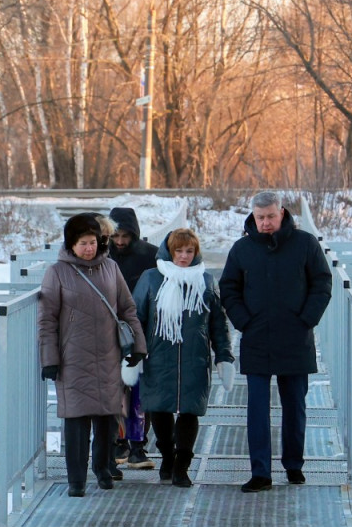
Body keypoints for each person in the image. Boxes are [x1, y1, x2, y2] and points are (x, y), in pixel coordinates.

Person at [218, 191, 333, 492]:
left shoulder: (305, 244)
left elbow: (322, 283)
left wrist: (306, 319)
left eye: (270, 216)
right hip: (256, 336)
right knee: (257, 408)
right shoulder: (242, 248)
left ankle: (294, 465)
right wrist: (244, 321)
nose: (266, 223)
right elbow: (229, 287)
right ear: (253, 217)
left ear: (281, 213)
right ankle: (261, 472)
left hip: (295, 336)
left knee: (294, 405)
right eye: (260, 218)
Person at [39, 213, 147, 497]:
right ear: (71, 244)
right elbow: (47, 319)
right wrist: (49, 359)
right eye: (83, 243)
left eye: (93, 242)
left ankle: (103, 469)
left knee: (107, 418)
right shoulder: (57, 273)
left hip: (109, 355)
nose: (89, 248)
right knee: (76, 422)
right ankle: (76, 480)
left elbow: (127, 309)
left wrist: (137, 347)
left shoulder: (110, 268)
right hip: (72, 358)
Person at [131, 228, 234, 487]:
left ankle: (182, 466)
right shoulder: (151, 278)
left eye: (189, 251)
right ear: (169, 251)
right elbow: (136, 318)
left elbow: (217, 323)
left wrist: (224, 356)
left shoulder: (206, 281)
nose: (184, 257)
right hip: (158, 356)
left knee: (190, 412)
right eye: (179, 251)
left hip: (194, 358)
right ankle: (167, 455)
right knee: (160, 410)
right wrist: (133, 353)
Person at [108, 207, 159, 470]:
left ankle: (138, 443)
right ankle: (119, 441)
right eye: (115, 236)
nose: (119, 242)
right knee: (116, 388)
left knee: (139, 388)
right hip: (109, 330)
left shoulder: (150, 256)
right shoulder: (103, 255)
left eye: (125, 236)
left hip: (141, 328)